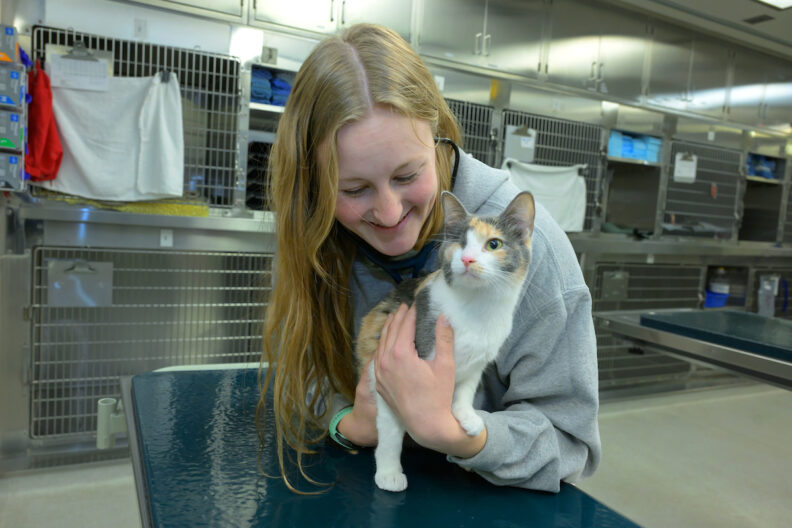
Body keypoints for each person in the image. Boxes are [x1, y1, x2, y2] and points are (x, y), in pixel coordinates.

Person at [258, 22, 601, 493]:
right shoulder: (314, 237)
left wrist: (458, 435)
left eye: (407, 175)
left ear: (436, 134)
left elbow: (569, 441)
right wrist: (349, 422)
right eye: (354, 190)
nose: (389, 212)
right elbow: (302, 371)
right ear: (315, 186)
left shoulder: (534, 254)